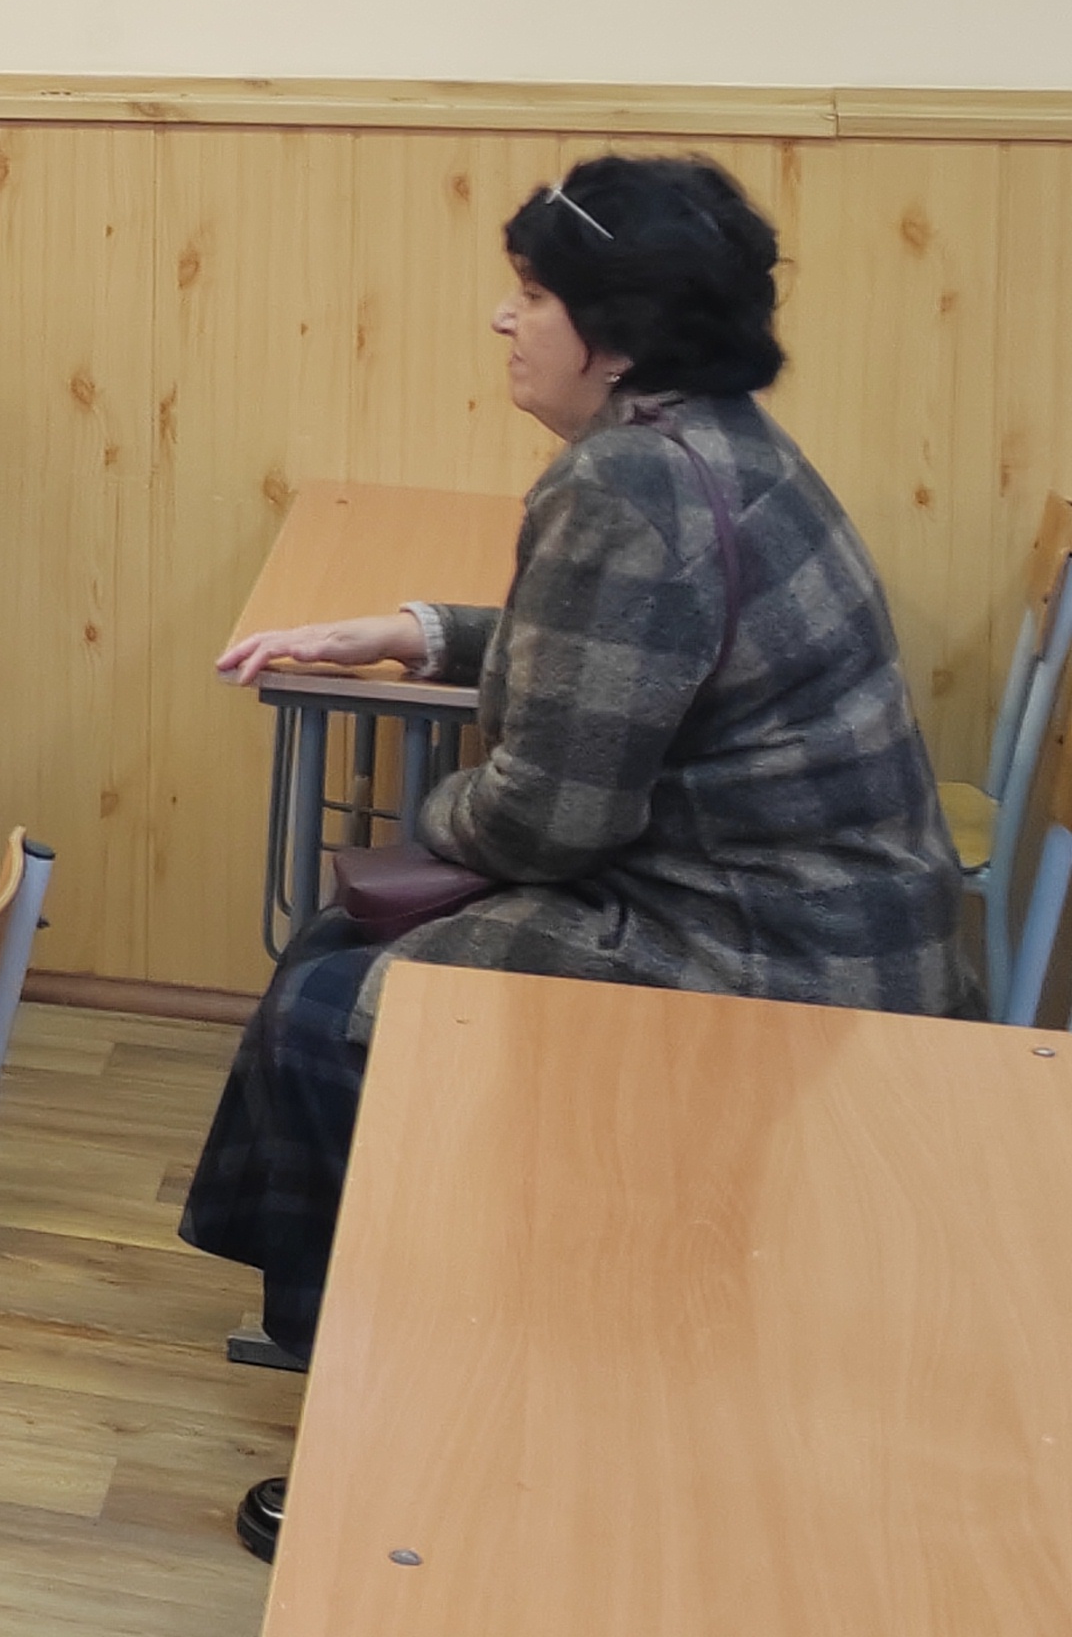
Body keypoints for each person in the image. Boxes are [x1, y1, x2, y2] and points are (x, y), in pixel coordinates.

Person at [184, 152, 966, 1564]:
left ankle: (410, 1417)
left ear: (615, 337)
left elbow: (550, 819)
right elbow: (628, 647)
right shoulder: (714, 443)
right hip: (841, 928)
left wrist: (422, 833)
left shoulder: (628, 483)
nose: (505, 319)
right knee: (342, 962)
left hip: (767, 960)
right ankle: (396, 1363)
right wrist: (416, 631)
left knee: (335, 1007)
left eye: (533, 294)